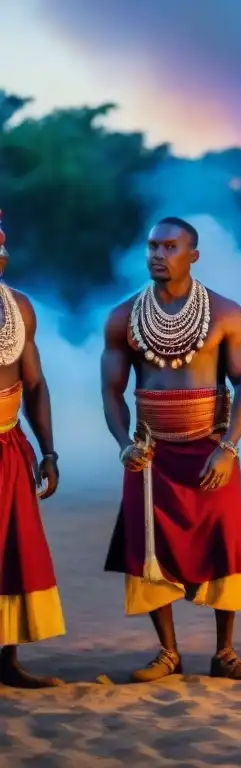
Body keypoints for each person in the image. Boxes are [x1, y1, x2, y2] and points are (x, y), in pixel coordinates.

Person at [101, 216, 241, 682]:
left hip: (211, 448)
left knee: (224, 544)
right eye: (152, 246)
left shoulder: (226, 313)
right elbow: (112, 390)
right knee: (149, 547)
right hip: (150, 454)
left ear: (193, 254)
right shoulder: (123, 317)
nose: (158, 254)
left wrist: (229, 447)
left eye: (170, 246)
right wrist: (123, 445)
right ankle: (168, 653)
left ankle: (225, 653)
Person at [0, 210, 66, 688]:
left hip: (8, 445)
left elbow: (36, 383)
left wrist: (48, 451)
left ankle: (6, 660)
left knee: (10, 552)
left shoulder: (17, 308)